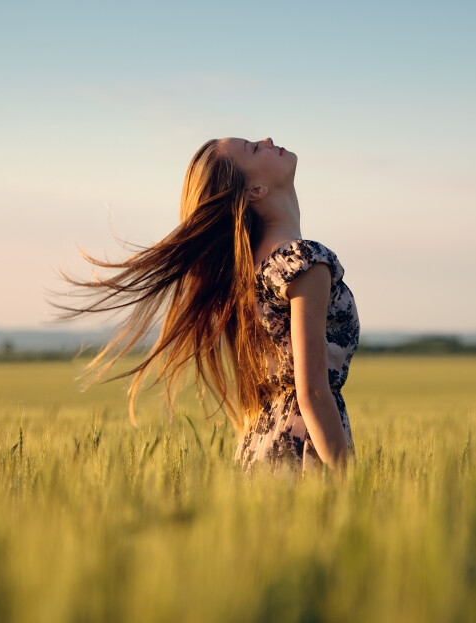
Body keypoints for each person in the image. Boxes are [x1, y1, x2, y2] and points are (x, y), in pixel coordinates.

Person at [59, 137, 359, 471]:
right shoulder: (304, 261)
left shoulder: (249, 271)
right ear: (255, 189)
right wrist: (353, 490)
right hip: (304, 447)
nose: (267, 140)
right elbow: (314, 391)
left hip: (258, 446)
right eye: (254, 149)